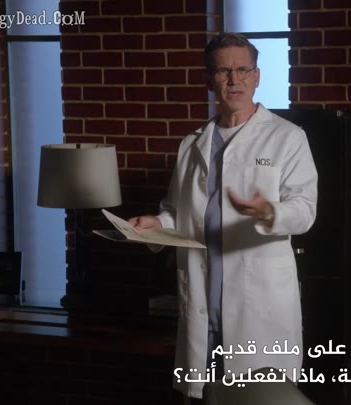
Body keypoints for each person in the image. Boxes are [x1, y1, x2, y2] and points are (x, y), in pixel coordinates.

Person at [129, 32, 318, 401]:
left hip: (258, 311)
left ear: (257, 76)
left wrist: (269, 212)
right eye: (223, 71)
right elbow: (177, 210)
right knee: (203, 397)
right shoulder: (192, 144)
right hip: (204, 307)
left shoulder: (288, 138)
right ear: (209, 80)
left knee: (258, 398)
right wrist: (158, 224)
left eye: (243, 70)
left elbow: (305, 210)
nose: (234, 80)